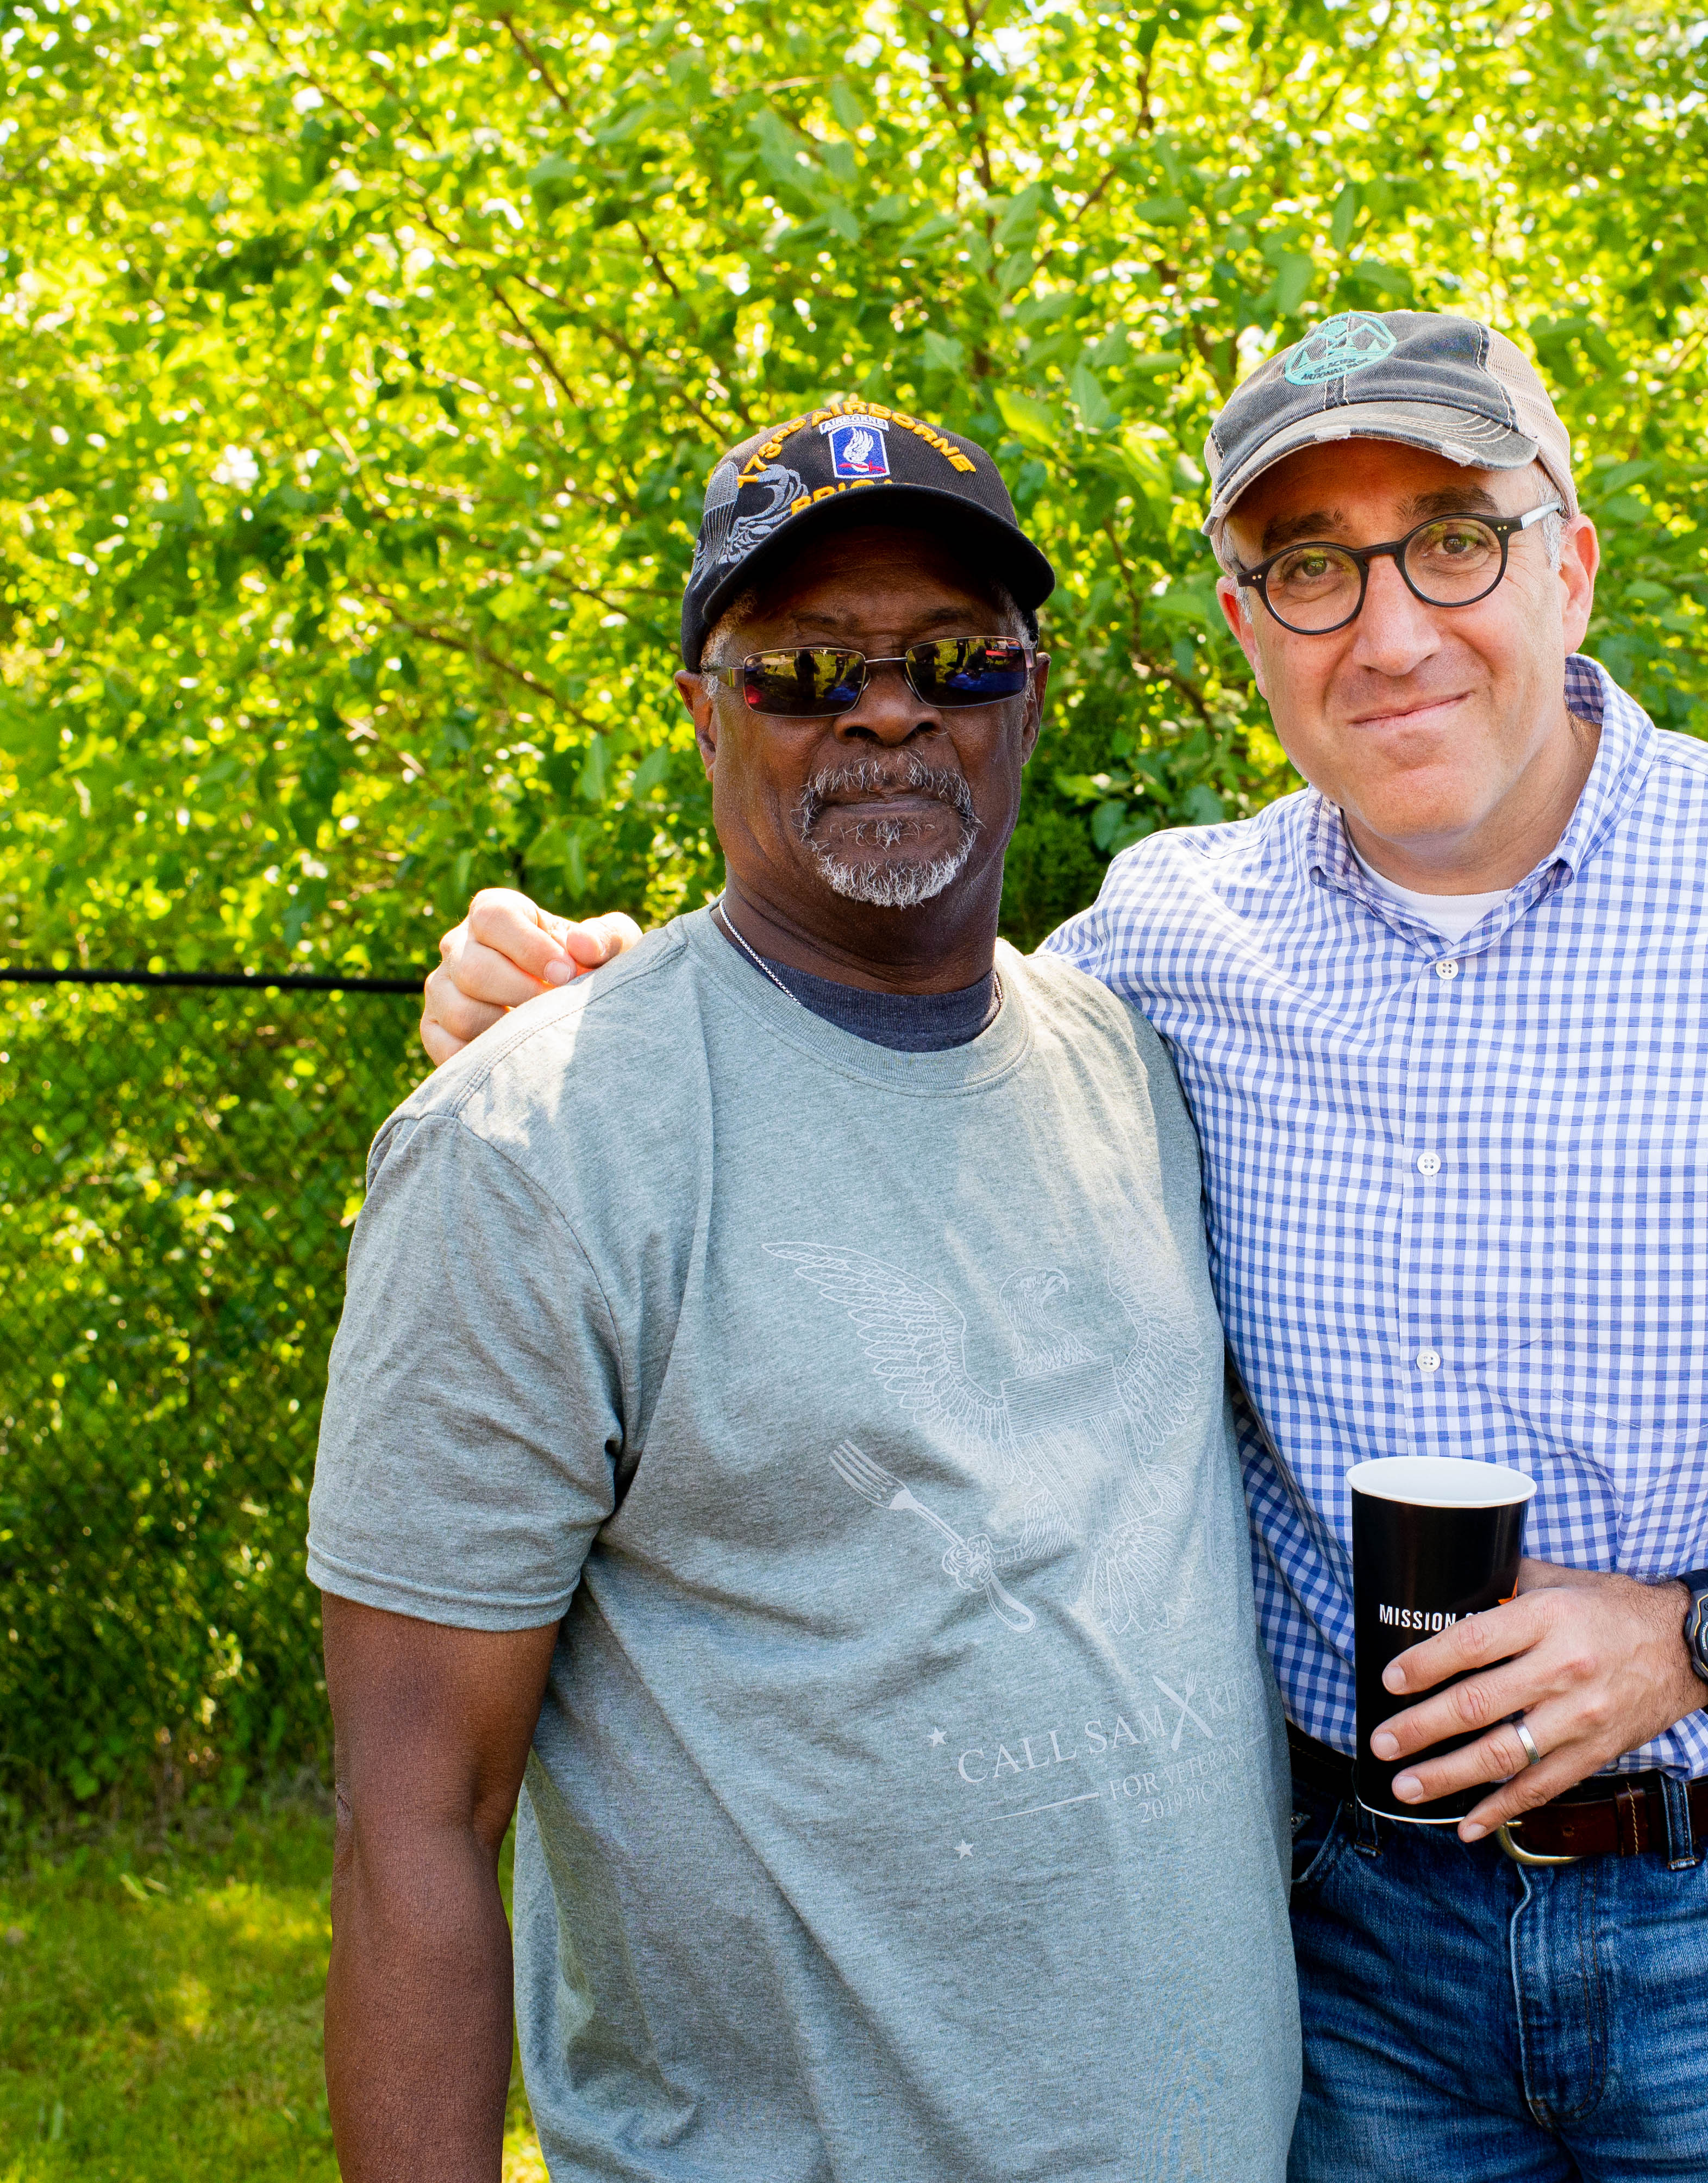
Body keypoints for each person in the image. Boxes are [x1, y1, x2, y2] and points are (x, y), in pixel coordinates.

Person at [424, 313, 1708, 2179]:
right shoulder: (1168, 949)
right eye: (1310, 566)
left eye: (1454, 535)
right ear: (1245, 627)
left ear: (1571, 558)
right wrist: (584, 1017)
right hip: (1349, 1944)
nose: (1392, 625)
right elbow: (893, 1055)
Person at [309, 401, 1300, 2183]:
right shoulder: (530, 1147)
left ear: (1029, 691)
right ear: (704, 704)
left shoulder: (1127, 1065)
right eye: (802, 666)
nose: (890, 705)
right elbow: (414, 1825)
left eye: (954, 658)